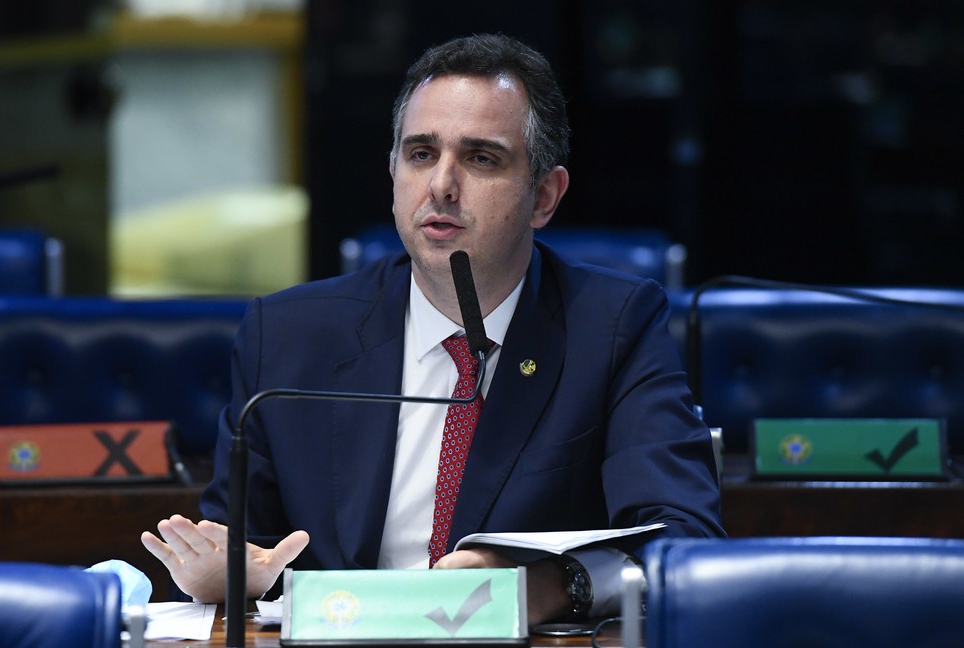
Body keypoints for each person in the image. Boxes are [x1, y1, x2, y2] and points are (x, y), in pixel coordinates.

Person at [141, 33, 724, 624]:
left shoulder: (613, 328)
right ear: (393, 173)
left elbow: (684, 543)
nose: (441, 185)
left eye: (481, 158)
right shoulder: (288, 336)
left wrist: (558, 583)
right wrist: (226, 573)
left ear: (544, 196)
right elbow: (242, 545)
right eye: (421, 154)